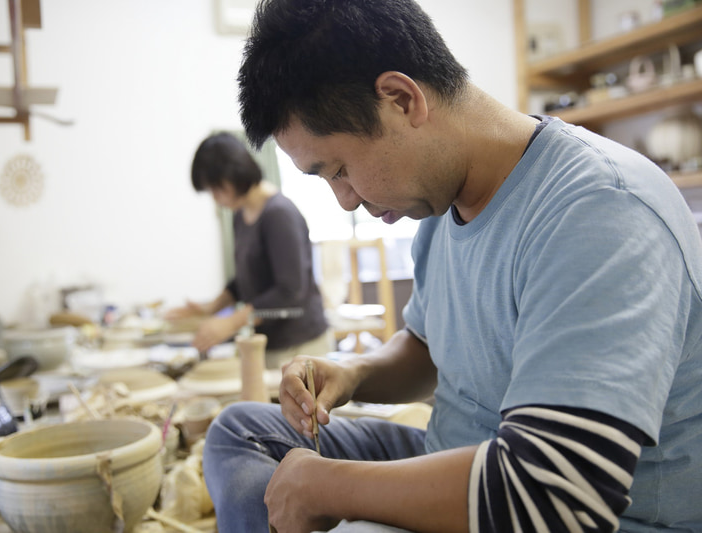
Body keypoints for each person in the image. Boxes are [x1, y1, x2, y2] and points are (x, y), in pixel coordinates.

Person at [201, 0, 702, 532]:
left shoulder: (599, 209)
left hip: (565, 503)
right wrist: (354, 374)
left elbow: (555, 493)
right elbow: (426, 346)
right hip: (461, 457)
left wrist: (329, 487)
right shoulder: (441, 201)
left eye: (341, 169)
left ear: (400, 99)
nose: (345, 201)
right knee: (242, 432)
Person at [167, 132, 331, 368]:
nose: (216, 199)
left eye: (216, 189)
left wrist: (232, 322)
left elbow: (289, 291)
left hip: (298, 344)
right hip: (268, 344)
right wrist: (211, 307)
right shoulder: (241, 215)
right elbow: (246, 278)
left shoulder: (278, 214)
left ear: (233, 174)